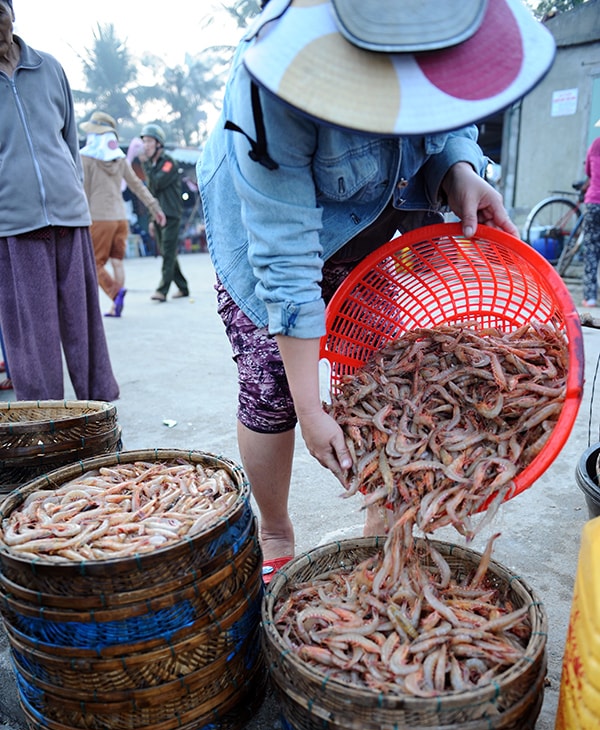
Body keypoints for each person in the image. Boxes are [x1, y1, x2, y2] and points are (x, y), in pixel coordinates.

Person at [198, 0, 555, 579]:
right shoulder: (272, 81)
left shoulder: (438, 36)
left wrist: (458, 168)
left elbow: (449, 120)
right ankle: (275, 530)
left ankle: (383, 525)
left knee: (385, 375)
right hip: (266, 232)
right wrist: (312, 409)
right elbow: (285, 260)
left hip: (368, 230)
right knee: (272, 387)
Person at [0, 0, 119, 402]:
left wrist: (70, 191)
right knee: (34, 335)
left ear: (12, 13)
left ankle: (98, 411)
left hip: (69, 215)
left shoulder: (48, 68)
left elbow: (69, 140)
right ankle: (44, 425)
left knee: (83, 323)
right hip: (14, 225)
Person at [80, 111, 167, 317]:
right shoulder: (120, 158)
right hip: (121, 219)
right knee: (116, 261)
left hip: (100, 219)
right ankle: (115, 306)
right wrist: (155, 208)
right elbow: (137, 185)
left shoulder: (86, 157)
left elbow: (83, 190)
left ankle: (115, 293)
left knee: (94, 263)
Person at [139, 124, 190, 302]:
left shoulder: (169, 163)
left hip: (171, 214)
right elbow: (152, 193)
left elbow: (156, 184)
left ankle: (162, 290)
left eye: (149, 141)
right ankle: (183, 287)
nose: (145, 145)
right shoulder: (152, 165)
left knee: (168, 251)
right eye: (144, 141)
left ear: (159, 143)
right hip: (158, 213)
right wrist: (152, 219)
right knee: (167, 251)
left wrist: (145, 165)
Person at [581, 129, 600, 308]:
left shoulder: (595, 144)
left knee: (591, 250)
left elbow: (588, 171)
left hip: (594, 202)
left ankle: (590, 297)